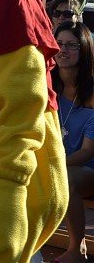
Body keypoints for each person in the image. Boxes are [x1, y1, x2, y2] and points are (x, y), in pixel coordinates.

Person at [51, 21, 94, 263]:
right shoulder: (47, 85)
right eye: (58, 43)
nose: (62, 50)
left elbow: (88, 152)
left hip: (86, 169)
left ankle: (77, 249)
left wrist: (56, 165)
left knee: (63, 180)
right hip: (56, 164)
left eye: (71, 45)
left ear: (84, 48)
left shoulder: (91, 94)